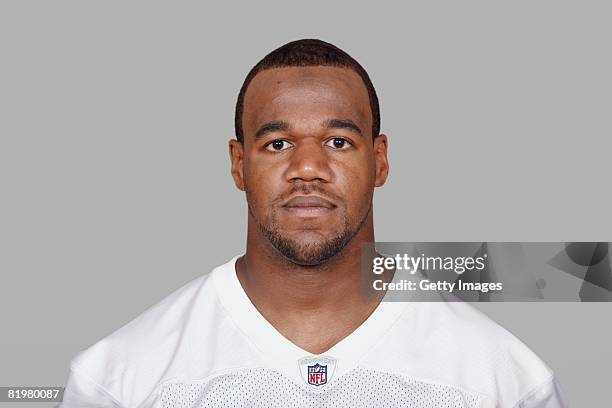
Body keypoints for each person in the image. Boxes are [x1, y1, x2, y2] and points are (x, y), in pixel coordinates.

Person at [58, 39, 567, 407]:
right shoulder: (118, 380)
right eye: (277, 143)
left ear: (380, 160)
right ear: (238, 165)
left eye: (338, 142)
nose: (307, 168)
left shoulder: (504, 381)